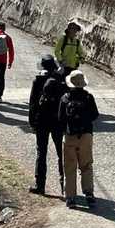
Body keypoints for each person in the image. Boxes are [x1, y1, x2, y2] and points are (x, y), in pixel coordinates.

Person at [58, 70, 99, 208]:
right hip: (86, 135)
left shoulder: (65, 98)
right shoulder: (88, 97)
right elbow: (95, 115)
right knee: (86, 165)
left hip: (70, 136)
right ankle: (89, 193)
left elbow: (61, 118)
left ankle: (70, 197)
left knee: (70, 166)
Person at [28, 55, 66, 196]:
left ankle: (40, 185)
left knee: (41, 153)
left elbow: (33, 103)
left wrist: (32, 122)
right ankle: (65, 185)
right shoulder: (60, 80)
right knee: (61, 154)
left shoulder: (38, 80)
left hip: (41, 121)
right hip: (57, 121)